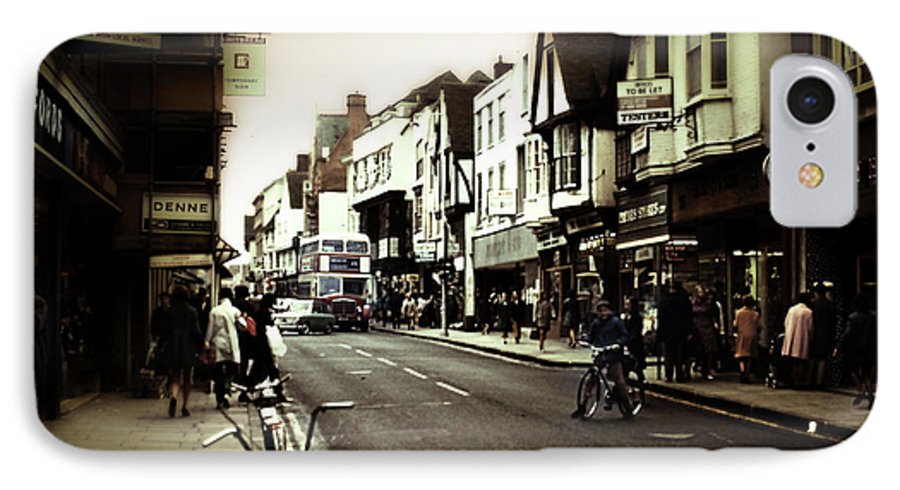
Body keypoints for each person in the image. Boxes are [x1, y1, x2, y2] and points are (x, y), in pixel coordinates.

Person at [571, 300, 634, 418]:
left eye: (605, 310)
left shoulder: (616, 322)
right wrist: (585, 341)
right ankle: (582, 406)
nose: (603, 313)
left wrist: (618, 344)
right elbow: (591, 336)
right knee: (590, 380)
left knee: (619, 381)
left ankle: (629, 407)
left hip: (614, 355)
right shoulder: (596, 323)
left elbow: (625, 335)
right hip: (601, 354)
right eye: (600, 311)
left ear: (609, 311)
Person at [159, 286, 202, 418]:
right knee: (187, 377)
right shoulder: (192, 311)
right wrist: (201, 344)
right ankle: (184, 406)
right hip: (188, 346)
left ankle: (174, 396)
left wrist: (161, 345)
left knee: (175, 376)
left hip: (173, 346)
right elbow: (196, 331)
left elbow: (164, 332)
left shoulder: (169, 312)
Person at [834, 293, 877, 408]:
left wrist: (838, 347)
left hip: (856, 349)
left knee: (854, 371)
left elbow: (847, 334)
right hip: (871, 349)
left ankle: (861, 391)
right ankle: (870, 394)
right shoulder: (873, 317)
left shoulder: (853, 317)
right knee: (867, 374)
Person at [657, 282, 693, 382]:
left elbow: (660, 317)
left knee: (668, 354)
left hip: (668, 332)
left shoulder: (664, 301)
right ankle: (679, 375)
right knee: (679, 354)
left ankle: (668, 375)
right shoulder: (684, 301)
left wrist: (660, 332)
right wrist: (689, 331)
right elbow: (688, 317)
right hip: (681, 331)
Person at [247, 293, 281, 388]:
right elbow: (266, 329)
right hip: (264, 344)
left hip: (259, 343)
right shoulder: (265, 313)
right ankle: (277, 388)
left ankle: (249, 387)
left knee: (260, 368)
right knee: (268, 367)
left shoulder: (259, 312)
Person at [782, 292, 815, 388]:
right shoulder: (808, 312)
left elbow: (786, 323)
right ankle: (801, 382)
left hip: (791, 336)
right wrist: (811, 337)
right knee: (801, 361)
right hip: (802, 337)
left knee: (794, 361)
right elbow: (810, 327)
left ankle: (796, 380)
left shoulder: (791, 310)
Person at [809, 282, 837, 388]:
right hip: (826, 335)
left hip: (813, 334)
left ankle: (809, 380)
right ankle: (819, 381)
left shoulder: (812, 304)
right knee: (822, 359)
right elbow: (833, 322)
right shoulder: (830, 305)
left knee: (812, 358)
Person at [691, 285, 720, 380]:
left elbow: (712, 315)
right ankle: (699, 366)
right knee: (699, 350)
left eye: (702, 292)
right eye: (699, 292)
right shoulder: (693, 303)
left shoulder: (708, 303)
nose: (701, 294)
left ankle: (707, 370)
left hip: (707, 328)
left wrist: (715, 323)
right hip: (697, 328)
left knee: (708, 350)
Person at [733, 295, 762, 383]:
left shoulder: (738, 313)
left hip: (742, 334)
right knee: (749, 355)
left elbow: (735, 325)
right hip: (752, 335)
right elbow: (760, 326)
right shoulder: (755, 314)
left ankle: (742, 370)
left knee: (741, 354)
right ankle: (747, 373)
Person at [621, 296, 646, 375]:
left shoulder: (637, 317)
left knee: (637, 366)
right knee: (626, 366)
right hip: (627, 343)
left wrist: (629, 340)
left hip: (635, 344)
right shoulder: (626, 315)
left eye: (628, 304)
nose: (626, 306)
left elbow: (636, 331)